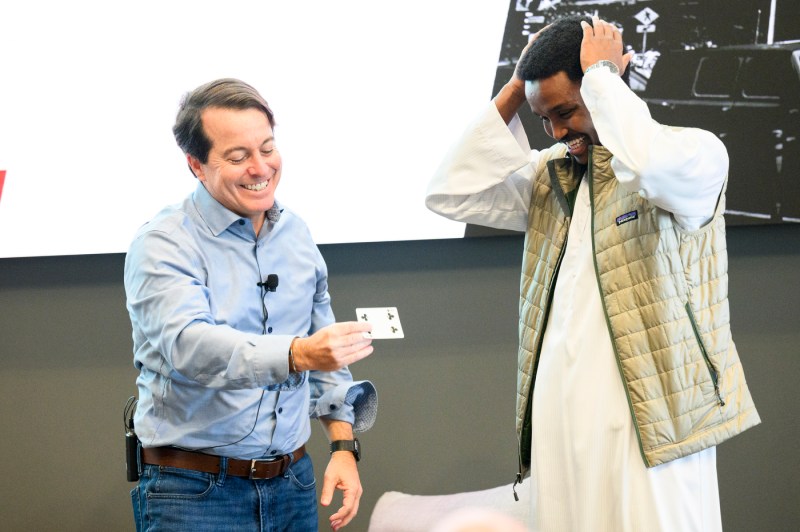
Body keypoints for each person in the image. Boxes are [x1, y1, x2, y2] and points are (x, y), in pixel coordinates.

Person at [426, 15, 760, 532]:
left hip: (653, 428)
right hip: (560, 428)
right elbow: (451, 190)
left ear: (606, 89)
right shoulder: (550, 175)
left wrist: (604, 74)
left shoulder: (695, 153)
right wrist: (520, 83)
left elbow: (645, 163)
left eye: (565, 111)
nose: (557, 132)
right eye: (544, 120)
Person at [124, 78, 377, 532]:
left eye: (268, 148)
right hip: (194, 492)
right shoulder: (163, 243)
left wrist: (342, 446)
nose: (261, 168)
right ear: (196, 166)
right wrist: (297, 353)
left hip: (293, 483)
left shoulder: (295, 234)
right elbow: (189, 346)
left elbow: (325, 355)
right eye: (238, 157)